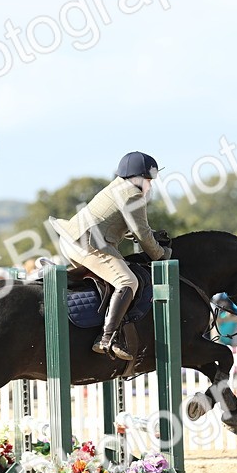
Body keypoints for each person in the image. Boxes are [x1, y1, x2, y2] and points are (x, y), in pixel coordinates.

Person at [48, 151, 171, 360]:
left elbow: (122, 225)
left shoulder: (116, 187)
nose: (151, 185)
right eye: (149, 179)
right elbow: (142, 233)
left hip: (71, 239)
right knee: (128, 281)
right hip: (88, 243)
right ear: (138, 178)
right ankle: (107, 338)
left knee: (109, 279)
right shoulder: (133, 194)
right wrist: (161, 254)